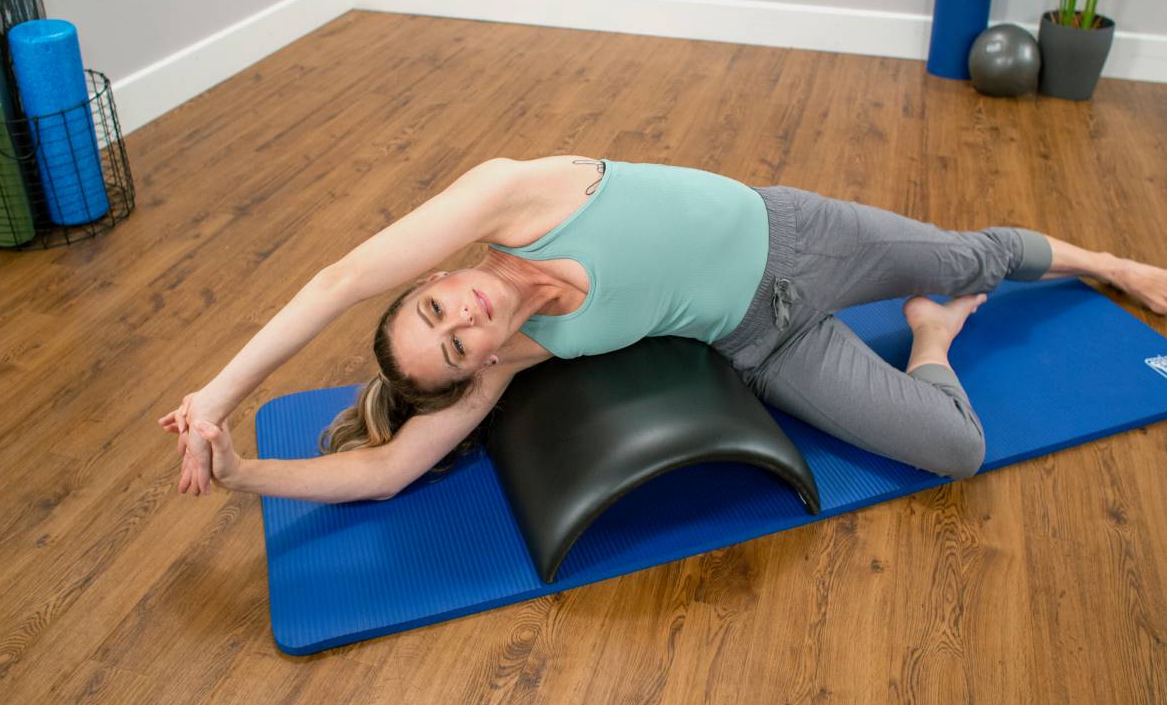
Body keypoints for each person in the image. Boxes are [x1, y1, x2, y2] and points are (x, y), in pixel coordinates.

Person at [158, 155, 1167, 502]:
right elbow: (381, 472)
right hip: (762, 342)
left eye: (437, 308)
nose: (464, 323)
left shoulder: (515, 195)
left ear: (436, 273)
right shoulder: (507, 354)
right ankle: (933, 339)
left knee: (963, 256)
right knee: (957, 449)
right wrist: (238, 469)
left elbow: (336, 277)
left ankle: (1111, 263)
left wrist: (216, 392)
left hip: (800, 240)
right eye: (455, 348)